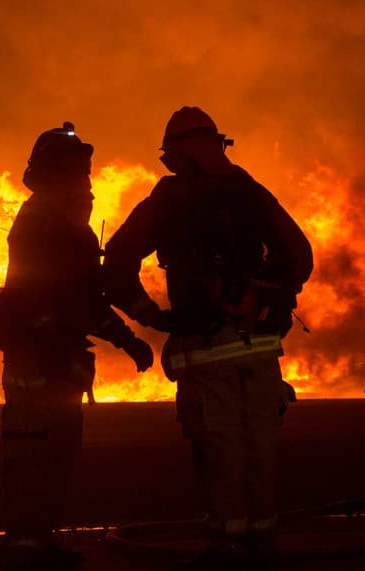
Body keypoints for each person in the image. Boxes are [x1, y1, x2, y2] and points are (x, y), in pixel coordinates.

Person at [103, 106, 313, 569]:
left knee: (220, 457)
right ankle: (262, 548)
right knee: (260, 454)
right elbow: (300, 256)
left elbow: (115, 264)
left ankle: (226, 551)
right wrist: (263, 293)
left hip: (204, 353)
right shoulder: (251, 192)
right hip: (260, 356)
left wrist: (152, 317)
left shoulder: (170, 198)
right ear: (217, 144)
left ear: (180, 152)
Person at [0, 122, 154, 571]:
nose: (88, 184)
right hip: (37, 362)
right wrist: (128, 334)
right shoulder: (45, 224)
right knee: (32, 463)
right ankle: (25, 555)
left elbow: (88, 296)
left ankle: (39, 547)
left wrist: (128, 335)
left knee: (52, 461)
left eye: (88, 173)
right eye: (80, 173)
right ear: (57, 175)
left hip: (55, 364)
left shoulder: (61, 225)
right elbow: (79, 295)